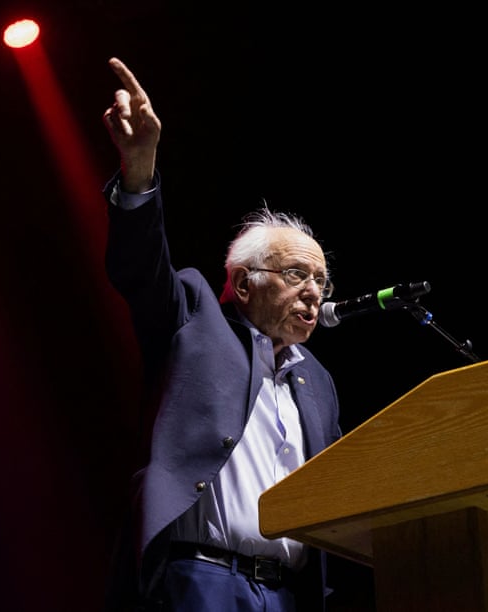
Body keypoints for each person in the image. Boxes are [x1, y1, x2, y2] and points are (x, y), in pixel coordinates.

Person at [101, 56, 344, 612]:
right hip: (201, 579)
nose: (313, 292)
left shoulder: (318, 381)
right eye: (295, 275)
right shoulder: (192, 313)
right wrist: (139, 168)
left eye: (321, 281)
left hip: (290, 592)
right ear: (242, 282)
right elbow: (140, 266)